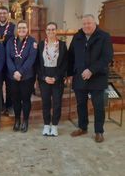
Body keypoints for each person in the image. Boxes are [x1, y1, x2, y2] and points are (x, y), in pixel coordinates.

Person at [68, 14, 113, 143]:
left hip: (98, 77)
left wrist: (91, 70)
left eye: (89, 23)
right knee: (81, 104)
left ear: (95, 23)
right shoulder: (77, 36)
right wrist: (70, 74)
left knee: (98, 105)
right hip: (79, 76)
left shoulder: (104, 36)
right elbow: (71, 56)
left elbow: (107, 57)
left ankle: (99, 131)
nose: (86, 26)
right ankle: (83, 127)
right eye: (84, 24)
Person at [6, 20, 37, 133]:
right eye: (19, 28)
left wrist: (21, 72)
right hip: (12, 76)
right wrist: (14, 72)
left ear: (27, 29)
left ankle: (25, 121)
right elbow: (8, 58)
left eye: (24, 28)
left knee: (26, 99)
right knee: (15, 100)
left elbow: (31, 59)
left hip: (27, 77)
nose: (21, 30)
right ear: (16, 30)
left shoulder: (32, 42)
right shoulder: (10, 42)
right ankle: (17, 120)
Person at [37, 22, 67, 136]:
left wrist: (56, 77)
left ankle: (54, 126)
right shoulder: (40, 45)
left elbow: (64, 63)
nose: (51, 31)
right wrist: (43, 77)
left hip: (57, 76)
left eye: (53, 29)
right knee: (45, 102)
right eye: (48, 29)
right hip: (44, 76)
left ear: (56, 31)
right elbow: (38, 64)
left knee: (57, 103)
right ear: (46, 31)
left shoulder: (62, 45)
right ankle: (46, 125)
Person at [0, 6, 16, 117]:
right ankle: (1, 106)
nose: (2, 15)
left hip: (9, 60)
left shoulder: (13, 27)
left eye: (4, 13)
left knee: (10, 85)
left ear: (8, 14)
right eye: (0, 13)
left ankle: (10, 106)